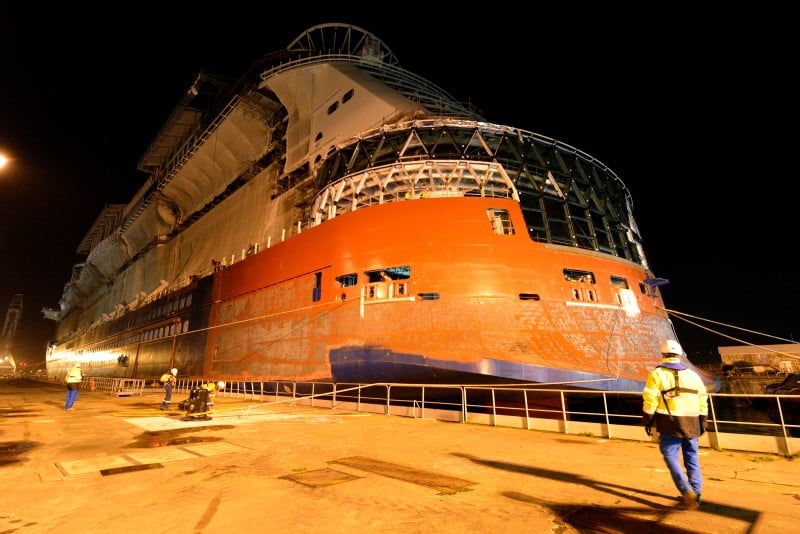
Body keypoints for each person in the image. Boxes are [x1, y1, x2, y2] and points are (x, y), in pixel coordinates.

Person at [642, 339, 709, 510]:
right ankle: (697, 495)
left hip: (669, 424)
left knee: (671, 456)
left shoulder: (656, 374)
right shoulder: (693, 375)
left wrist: (648, 421)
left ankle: (686, 490)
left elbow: (650, 400)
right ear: (679, 354)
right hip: (692, 423)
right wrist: (703, 420)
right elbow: (703, 400)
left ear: (663, 354)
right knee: (692, 459)